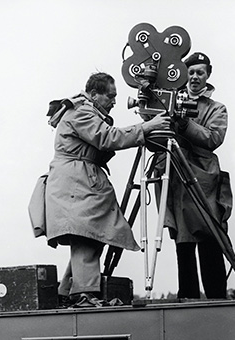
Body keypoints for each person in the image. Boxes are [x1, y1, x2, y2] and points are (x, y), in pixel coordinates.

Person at [45, 72, 170, 308]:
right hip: (76, 183)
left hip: (80, 181)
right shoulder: (82, 112)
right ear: (93, 94)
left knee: (90, 235)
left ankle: (67, 291)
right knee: (86, 235)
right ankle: (83, 294)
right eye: (109, 96)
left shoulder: (85, 111)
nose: (113, 101)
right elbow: (107, 138)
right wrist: (147, 127)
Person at [165, 52, 232, 300]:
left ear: (208, 76)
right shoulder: (171, 100)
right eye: (190, 72)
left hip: (204, 181)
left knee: (210, 238)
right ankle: (188, 300)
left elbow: (213, 138)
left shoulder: (217, 108)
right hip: (177, 179)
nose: (194, 77)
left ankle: (217, 301)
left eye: (199, 73)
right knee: (183, 244)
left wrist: (184, 124)